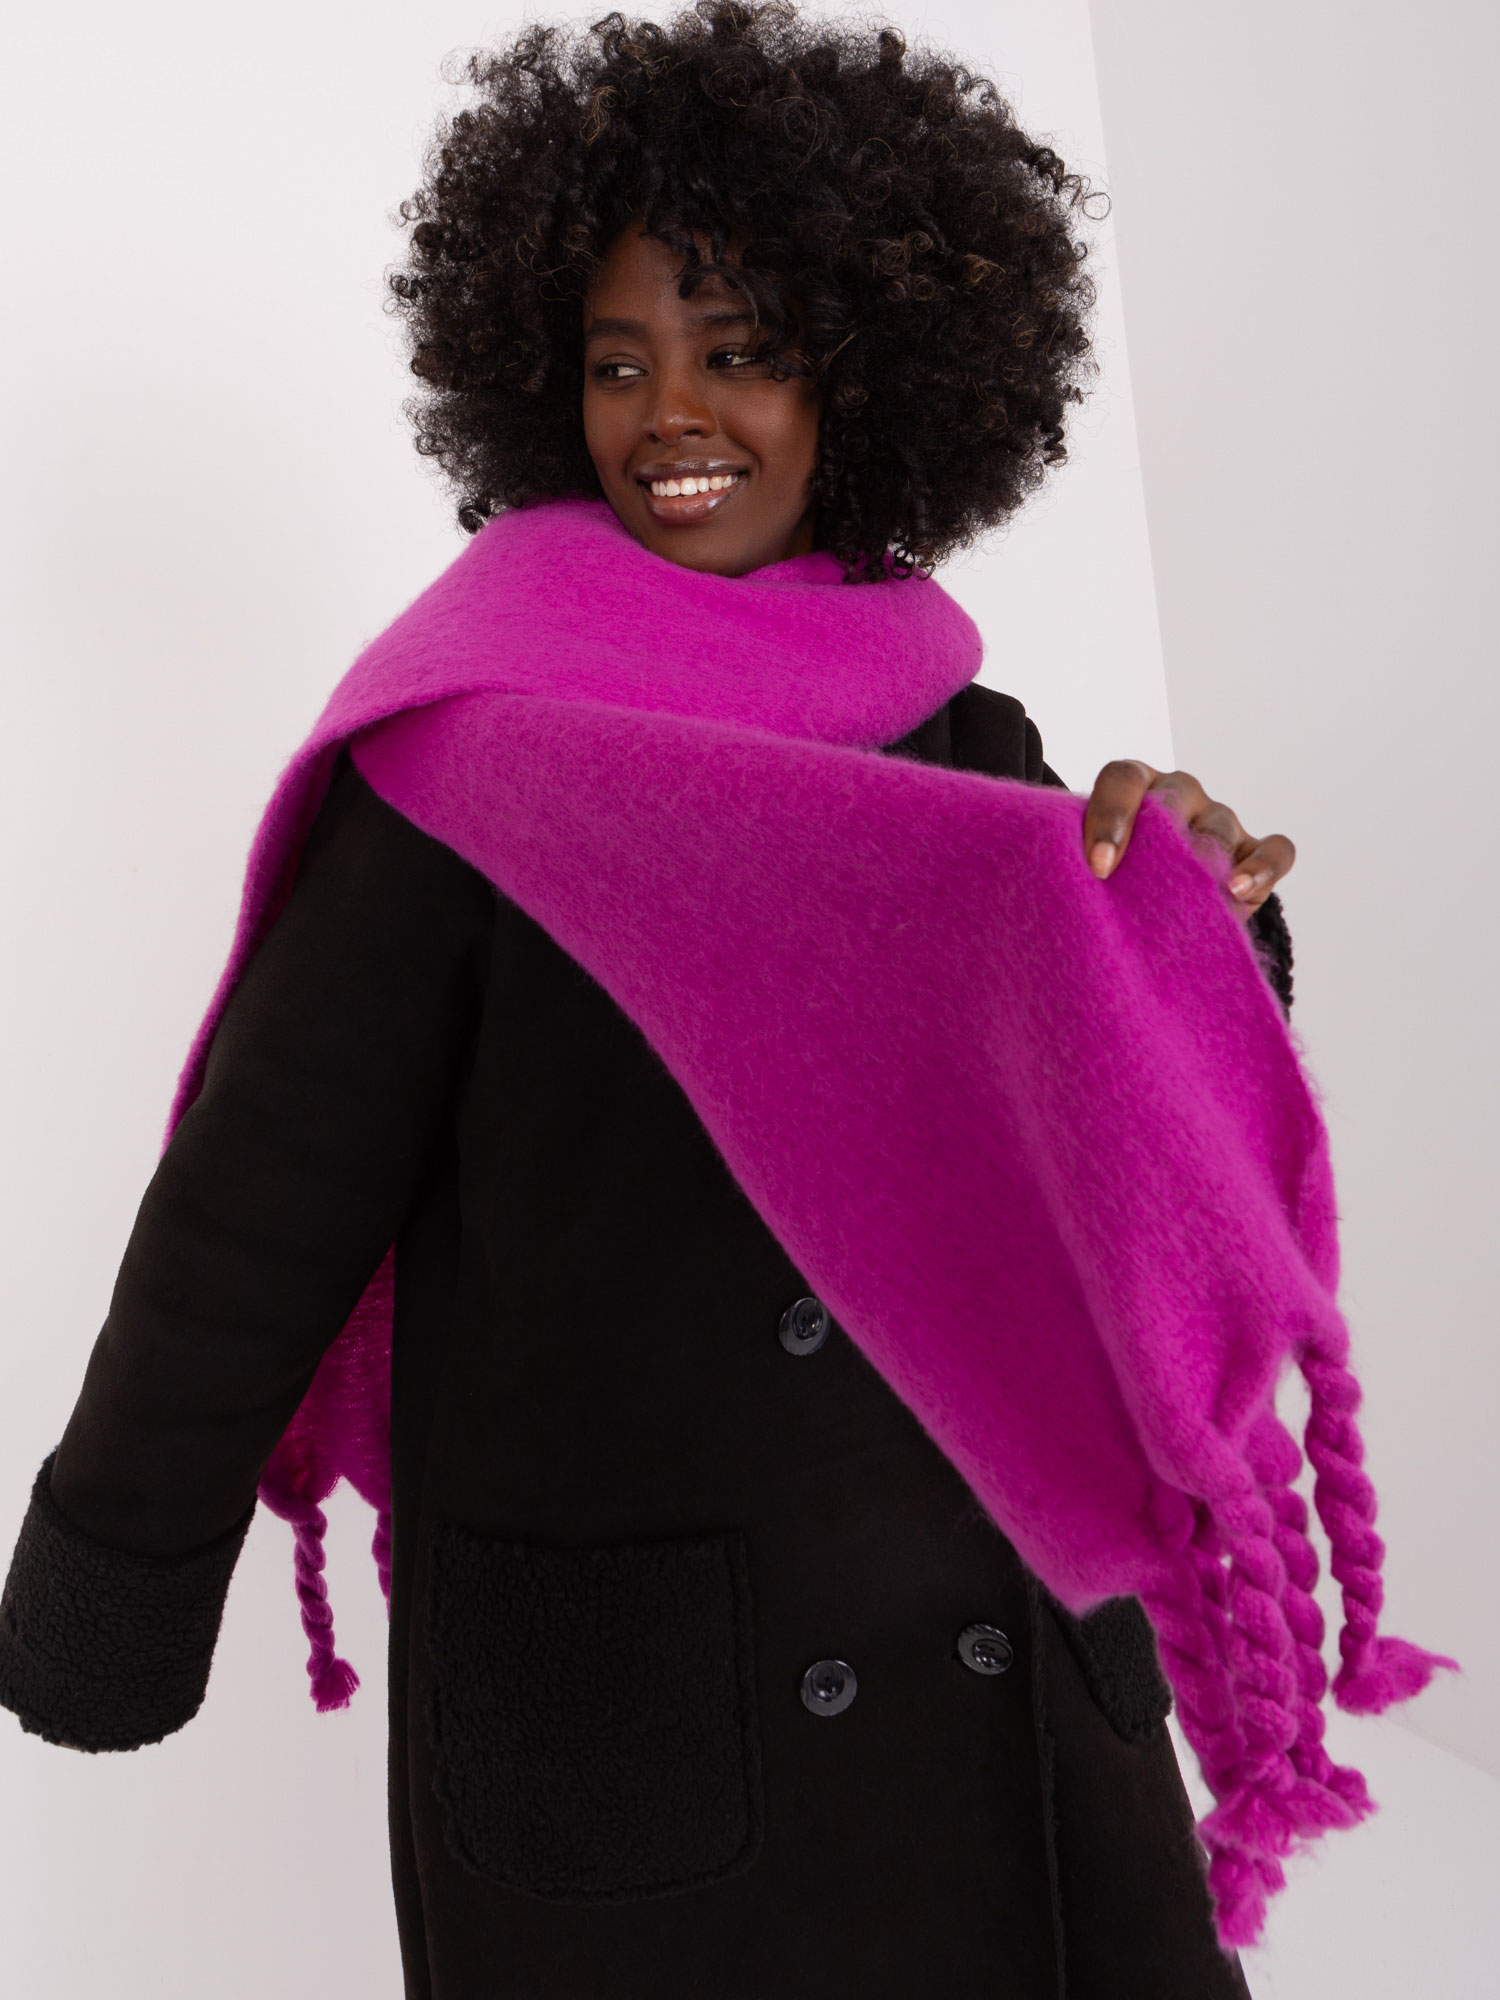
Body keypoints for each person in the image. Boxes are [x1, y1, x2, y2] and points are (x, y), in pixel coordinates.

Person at [0, 7, 1299, 1995]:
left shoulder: (966, 735)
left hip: (1005, 1680)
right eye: (619, 362)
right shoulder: (464, 770)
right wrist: (120, 1575)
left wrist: (1196, 918)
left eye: (741, 348)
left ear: (863, 377)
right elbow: (258, 1210)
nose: (670, 415)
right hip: (661, 1730)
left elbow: (1117, 1125)